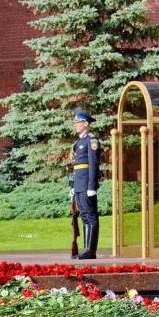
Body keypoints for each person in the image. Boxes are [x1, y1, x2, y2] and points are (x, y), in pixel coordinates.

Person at [69, 111, 100, 260]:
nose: (75, 125)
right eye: (75, 123)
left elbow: (93, 165)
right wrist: (73, 187)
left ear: (86, 124)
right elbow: (76, 167)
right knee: (84, 216)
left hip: (87, 185)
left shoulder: (91, 141)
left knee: (91, 216)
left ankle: (90, 250)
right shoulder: (79, 142)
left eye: (78, 123)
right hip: (79, 185)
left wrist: (92, 187)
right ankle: (86, 249)